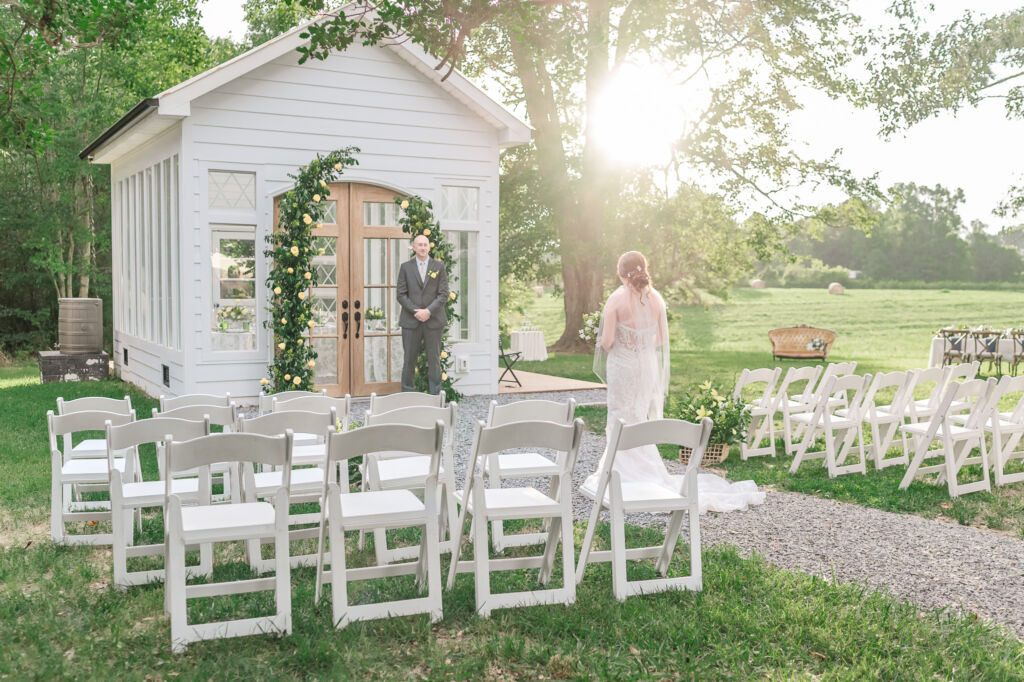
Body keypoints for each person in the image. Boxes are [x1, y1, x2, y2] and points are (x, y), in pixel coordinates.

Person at [584, 251, 764, 514]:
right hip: (646, 368)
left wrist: (605, 337)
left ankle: (618, 472)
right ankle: (643, 471)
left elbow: (608, 342)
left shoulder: (616, 299)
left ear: (621, 273)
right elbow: (658, 341)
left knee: (620, 417)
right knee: (639, 417)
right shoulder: (656, 300)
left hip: (623, 368)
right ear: (644, 269)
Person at [396, 233, 449, 394]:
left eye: (425, 244)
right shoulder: (405, 267)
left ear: (429, 247)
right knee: (409, 361)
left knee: (434, 361)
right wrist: (416, 311)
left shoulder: (439, 267)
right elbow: (401, 294)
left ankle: (436, 397)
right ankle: (407, 396)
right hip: (411, 321)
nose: (423, 247)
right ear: (413, 247)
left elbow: (443, 294)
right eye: (419, 244)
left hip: (433, 321)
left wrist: (428, 311)